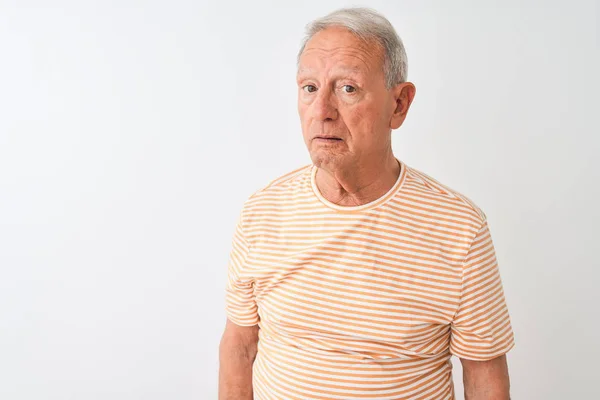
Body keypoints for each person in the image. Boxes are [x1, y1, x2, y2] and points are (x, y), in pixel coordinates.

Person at [218, 7, 515, 400]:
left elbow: (483, 376)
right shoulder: (262, 212)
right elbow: (239, 347)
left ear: (399, 104)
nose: (321, 111)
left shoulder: (459, 228)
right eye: (309, 88)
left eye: (348, 88)